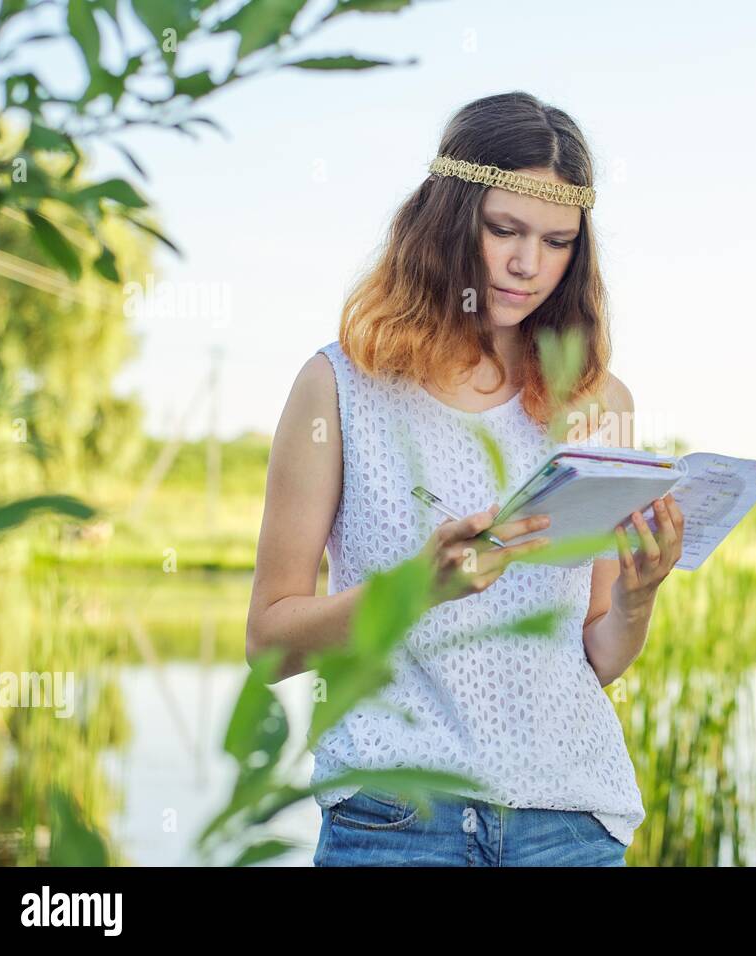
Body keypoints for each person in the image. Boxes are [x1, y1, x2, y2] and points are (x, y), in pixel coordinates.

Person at [245, 91, 685, 866]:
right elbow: (270, 642)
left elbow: (600, 655)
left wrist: (639, 595)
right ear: (448, 219)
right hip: (396, 819)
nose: (528, 264)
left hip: (569, 825)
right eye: (503, 230)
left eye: (557, 242)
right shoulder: (340, 387)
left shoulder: (598, 402)